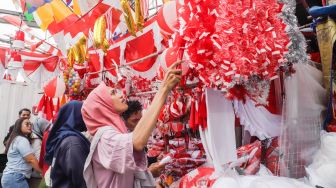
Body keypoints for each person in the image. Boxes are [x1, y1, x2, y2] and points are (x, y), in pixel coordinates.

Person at [81, 61, 182, 188]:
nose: (121, 94)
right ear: (102, 105)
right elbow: (137, 142)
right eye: (113, 93)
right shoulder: (104, 138)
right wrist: (163, 89)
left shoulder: (114, 132)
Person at [45, 101, 90, 188]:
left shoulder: (63, 136)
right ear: (76, 115)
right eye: (85, 113)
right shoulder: (73, 142)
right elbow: (82, 181)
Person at [122, 100, 164, 177]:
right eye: (134, 121)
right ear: (124, 120)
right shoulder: (123, 140)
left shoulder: (142, 133)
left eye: (140, 120)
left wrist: (155, 158)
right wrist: (149, 172)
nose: (139, 124)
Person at [1, 118, 42, 188]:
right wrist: (42, 172)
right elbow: (31, 159)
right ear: (19, 126)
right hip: (15, 177)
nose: (29, 126)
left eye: (30, 124)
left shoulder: (16, 138)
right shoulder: (22, 140)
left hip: (12, 177)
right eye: (27, 124)